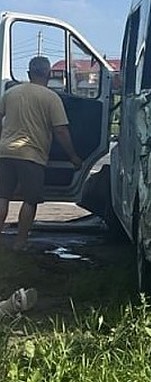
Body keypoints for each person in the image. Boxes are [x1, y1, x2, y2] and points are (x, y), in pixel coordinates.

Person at [0, 56, 83, 254]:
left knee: (2, 197)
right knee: (30, 200)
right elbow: (61, 131)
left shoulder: (11, 93)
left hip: (4, 152)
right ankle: (21, 242)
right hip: (32, 155)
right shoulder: (51, 98)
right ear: (48, 74)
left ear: (29, 73)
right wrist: (73, 156)